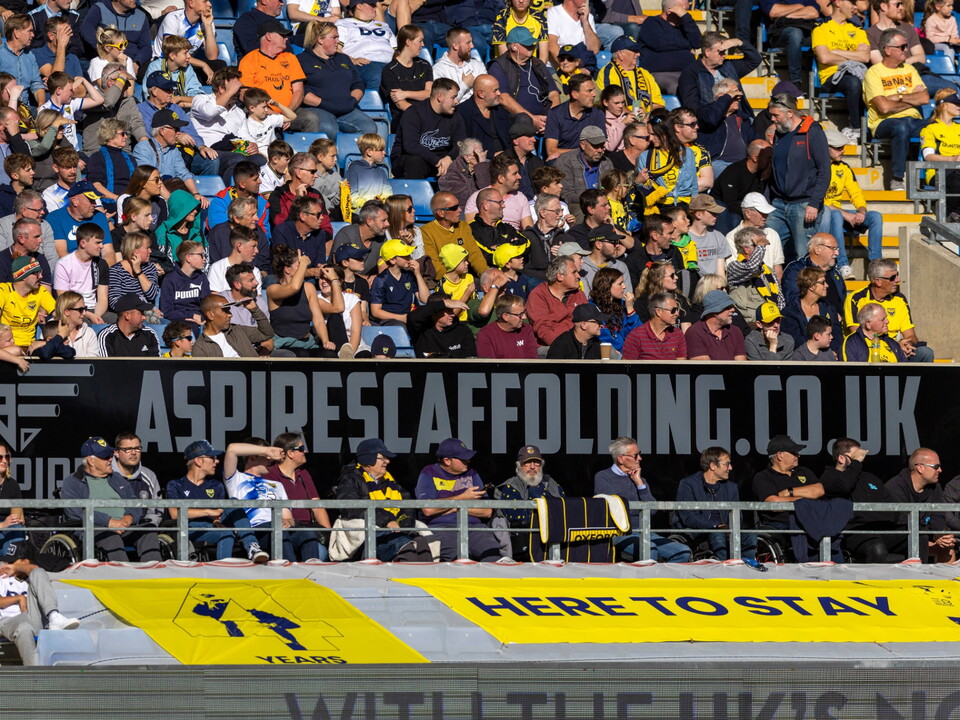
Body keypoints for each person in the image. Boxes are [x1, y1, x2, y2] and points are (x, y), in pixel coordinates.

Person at [60, 436, 162, 562]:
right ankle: (122, 578)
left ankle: (153, 575)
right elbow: (75, 511)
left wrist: (129, 517)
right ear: (91, 461)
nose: (110, 459)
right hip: (95, 529)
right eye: (105, 457)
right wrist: (109, 522)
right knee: (110, 536)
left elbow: (134, 502)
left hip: (125, 526)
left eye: (110, 455)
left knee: (148, 530)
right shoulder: (73, 481)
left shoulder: (116, 478)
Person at [165, 440, 270, 563]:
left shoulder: (216, 485)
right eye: (212, 457)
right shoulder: (176, 484)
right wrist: (208, 512)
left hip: (213, 526)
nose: (217, 461)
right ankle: (222, 571)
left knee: (233, 502)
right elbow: (174, 514)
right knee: (225, 533)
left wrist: (216, 519)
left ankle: (252, 547)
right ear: (198, 461)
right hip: (190, 528)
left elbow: (218, 514)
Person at [334, 438, 433, 562]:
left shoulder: (390, 480)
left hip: (394, 532)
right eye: (383, 458)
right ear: (368, 460)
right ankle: (407, 579)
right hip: (373, 535)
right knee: (406, 547)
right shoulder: (350, 479)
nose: (387, 461)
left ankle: (426, 579)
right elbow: (350, 507)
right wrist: (386, 521)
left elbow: (407, 504)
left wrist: (404, 527)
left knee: (421, 542)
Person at [594, 437, 691, 562]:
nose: (640, 458)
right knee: (650, 549)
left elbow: (652, 510)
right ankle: (645, 581)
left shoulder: (641, 480)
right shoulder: (604, 477)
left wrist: (640, 484)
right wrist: (640, 509)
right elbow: (615, 511)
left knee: (683, 552)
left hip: (644, 532)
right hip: (619, 533)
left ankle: (660, 580)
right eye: (635, 455)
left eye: (639, 454)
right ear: (621, 458)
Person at [677, 32, 759, 175]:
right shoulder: (691, 72)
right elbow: (692, 106)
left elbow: (755, 60)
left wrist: (739, 42)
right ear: (707, 52)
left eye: (725, 52)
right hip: (713, 123)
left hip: (740, 118)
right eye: (720, 52)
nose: (724, 55)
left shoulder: (728, 66)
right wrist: (717, 109)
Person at [765, 94, 831, 260]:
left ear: (790, 113)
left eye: (776, 115)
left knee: (803, 256)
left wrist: (814, 203)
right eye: (771, 115)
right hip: (779, 204)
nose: (772, 119)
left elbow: (824, 171)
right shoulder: (780, 132)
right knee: (765, 248)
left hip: (803, 205)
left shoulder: (812, 132)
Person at [415, 438, 503, 562]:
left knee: (492, 556)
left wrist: (453, 507)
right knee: (458, 560)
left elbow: (487, 511)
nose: (468, 461)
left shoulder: (472, 473)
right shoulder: (428, 473)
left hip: (475, 528)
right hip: (443, 528)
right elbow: (428, 509)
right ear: (447, 460)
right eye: (462, 459)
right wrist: (463, 498)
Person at [864, 29, 929, 191]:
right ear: (887, 50)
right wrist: (910, 99)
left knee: (939, 124)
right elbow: (884, 107)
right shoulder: (873, 73)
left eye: (906, 46)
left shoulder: (909, 69)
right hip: (883, 123)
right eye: (902, 47)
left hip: (913, 120)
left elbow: (925, 98)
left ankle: (938, 177)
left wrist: (897, 98)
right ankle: (897, 178)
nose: (906, 50)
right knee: (901, 127)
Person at [0, 544, 80, 666]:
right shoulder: (3, 576)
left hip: (32, 618)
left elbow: (34, 569)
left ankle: (54, 616)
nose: (8, 564)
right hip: (7, 622)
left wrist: (17, 567)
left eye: (13, 561)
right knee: (24, 628)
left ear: (25, 561)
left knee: (38, 572)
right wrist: (19, 598)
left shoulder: (35, 578)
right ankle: (34, 676)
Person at [297, 21, 378, 138]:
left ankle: (357, 156)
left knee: (369, 128)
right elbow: (302, 90)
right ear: (320, 39)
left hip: (347, 108)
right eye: (334, 38)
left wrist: (352, 101)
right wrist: (324, 103)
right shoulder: (302, 60)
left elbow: (358, 84)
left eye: (338, 37)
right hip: (319, 108)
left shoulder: (344, 58)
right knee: (328, 128)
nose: (338, 42)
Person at [674, 447, 757, 561]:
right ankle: (723, 572)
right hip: (698, 532)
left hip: (727, 530)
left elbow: (738, 515)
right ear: (713, 466)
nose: (730, 468)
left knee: (750, 535)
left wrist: (731, 528)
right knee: (717, 535)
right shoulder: (688, 484)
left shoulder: (731, 487)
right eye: (726, 464)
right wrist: (716, 526)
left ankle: (746, 568)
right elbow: (688, 517)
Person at [843, 258, 933, 361]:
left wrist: (907, 344)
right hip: (869, 349)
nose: (898, 280)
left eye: (897, 275)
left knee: (925, 353)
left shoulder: (899, 299)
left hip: (896, 350)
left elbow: (911, 335)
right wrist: (893, 346)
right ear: (878, 281)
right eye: (892, 277)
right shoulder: (856, 299)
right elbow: (860, 335)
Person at [264, 431, 331, 562]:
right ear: (290, 453)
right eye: (301, 448)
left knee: (321, 552)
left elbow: (317, 507)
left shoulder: (304, 474)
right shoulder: (269, 475)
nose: (305, 451)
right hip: (285, 531)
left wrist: (328, 534)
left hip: (307, 530)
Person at [239, 20, 316, 133]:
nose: (286, 38)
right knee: (252, 115)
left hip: (290, 111)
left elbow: (298, 90)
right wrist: (271, 113)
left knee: (311, 118)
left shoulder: (290, 58)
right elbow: (245, 94)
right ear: (269, 36)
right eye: (282, 35)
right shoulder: (249, 60)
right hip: (262, 112)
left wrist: (287, 113)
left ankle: (310, 150)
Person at [812, 0, 870, 142]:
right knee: (853, 82)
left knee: (866, 81)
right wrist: (853, 55)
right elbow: (824, 58)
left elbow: (865, 57)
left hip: (855, 74)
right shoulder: (821, 28)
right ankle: (855, 128)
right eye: (851, 2)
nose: (855, 7)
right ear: (838, 2)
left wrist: (836, 51)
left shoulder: (858, 30)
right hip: (830, 77)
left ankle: (869, 127)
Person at [886, 448, 956, 562]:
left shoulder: (935, 487)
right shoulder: (895, 487)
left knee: (947, 545)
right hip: (897, 538)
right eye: (936, 466)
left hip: (922, 534)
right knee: (921, 538)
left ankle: (947, 579)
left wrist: (940, 534)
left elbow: (938, 515)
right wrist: (932, 534)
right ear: (920, 468)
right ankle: (920, 577)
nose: (940, 470)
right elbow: (901, 522)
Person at [494, 445, 565, 559]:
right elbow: (516, 516)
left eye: (536, 463)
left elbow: (564, 509)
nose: (532, 467)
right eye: (527, 463)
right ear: (519, 466)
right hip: (526, 542)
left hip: (554, 537)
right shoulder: (511, 486)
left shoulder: (551, 484)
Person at [267, 245, 337, 354]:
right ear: (287, 269)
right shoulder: (273, 289)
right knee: (301, 354)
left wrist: (325, 341)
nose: (302, 268)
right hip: (284, 344)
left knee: (330, 355)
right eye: (298, 265)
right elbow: (294, 287)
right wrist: (304, 263)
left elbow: (318, 319)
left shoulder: (308, 288)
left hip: (307, 343)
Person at [488, 27, 560, 132]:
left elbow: (553, 93)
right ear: (514, 47)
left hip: (546, 116)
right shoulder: (499, 66)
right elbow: (503, 98)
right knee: (523, 120)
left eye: (533, 44)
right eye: (527, 45)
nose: (532, 46)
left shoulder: (537, 63)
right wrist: (532, 119)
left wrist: (551, 119)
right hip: (515, 119)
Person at [752, 434, 820, 530]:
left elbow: (819, 490)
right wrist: (805, 501)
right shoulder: (763, 477)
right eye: (794, 452)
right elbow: (773, 503)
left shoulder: (803, 471)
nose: (798, 455)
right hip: (779, 526)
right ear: (780, 456)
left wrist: (789, 492)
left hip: (808, 522)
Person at [553, 127, 616, 223]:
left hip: (603, 204)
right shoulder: (566, 161)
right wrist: (593, 202)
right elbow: (567, 194)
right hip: (579, 205)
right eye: (595, 146)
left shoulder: (606, 163)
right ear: (583, 145)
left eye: (602, 146)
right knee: (580, 210)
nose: (600, 150)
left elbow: (611, 190)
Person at [636, 0, 701, 95]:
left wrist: (687, 18)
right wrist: (687, 45)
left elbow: (697, 43)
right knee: (680, 87)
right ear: (669, 11)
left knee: (706, 85)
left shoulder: (686, 25)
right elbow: (661, 44)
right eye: (683, 11)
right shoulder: (651, 23)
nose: (685, 14)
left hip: (686, 72)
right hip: (660, 74)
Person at [527, 254, 590, 348]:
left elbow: (588, 322)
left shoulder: (578, 294)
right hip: (550, 347)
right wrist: (568, 347)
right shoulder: (539, 295)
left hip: (580, 344)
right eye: (574, 272)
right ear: (560, 276)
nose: (578, 276)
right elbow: (544, 331)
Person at [379, 24, 433, 132]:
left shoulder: (425, 65)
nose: (423, 44)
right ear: (408, 42)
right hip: (404, 116)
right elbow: (400, 103)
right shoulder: (390, 70)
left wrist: (405, 93)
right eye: (420, 41)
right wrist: (419, 115)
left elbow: (429, 94)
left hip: (426, 112)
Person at [335, 0, 397, 91]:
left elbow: (396, 50)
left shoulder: (383, 25)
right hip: (365, 64)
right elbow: (336, 49)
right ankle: (373, 104)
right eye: (372, 5)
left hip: (390, 63)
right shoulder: (343, 24)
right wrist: (352, 60)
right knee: (378, 75)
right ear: (359, 6)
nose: (375, 7)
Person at [724, 192, 785, 281]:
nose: (766, 216)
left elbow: (778, 267)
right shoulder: (731, 237)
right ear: (748, 213)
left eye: (766, 213)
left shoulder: (772, 234)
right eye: (762, 212)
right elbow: (733, 271)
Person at [781, 265, 843, 353]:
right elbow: (796, 342)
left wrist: (831, 353)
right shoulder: (790, 313)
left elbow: (837, 337)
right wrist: (821, 355)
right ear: (811, 286)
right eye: (822, 282)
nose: (827, 285)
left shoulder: (829, 308)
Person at [192, 293, 275, 358]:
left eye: (229, 310)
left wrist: (254, 310)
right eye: (225, 311)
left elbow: (267, 334)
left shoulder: (237, 330)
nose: (230, 315)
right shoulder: (200, 347)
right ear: (210, 315)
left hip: (254, 377)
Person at [920, 90, 960, 222]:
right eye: (955, 103)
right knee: (957, 180)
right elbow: (928, 155)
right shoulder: (930, 129)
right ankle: (951, 213)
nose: (959, 106)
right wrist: (952, 159)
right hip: (939, 172)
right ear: (943, 105)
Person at [713, 140, 770, 229]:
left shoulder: (763, 173)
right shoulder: (733, 172)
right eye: (768, 158)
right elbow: (729, 203)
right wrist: (750, 213)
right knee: (735, 219)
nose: (771, 161)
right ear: (755, 158)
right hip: (724, 210)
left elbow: (757, 198)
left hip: (746, 210)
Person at [545, 76, 605, 161]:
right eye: (589, 91)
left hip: (590, 161)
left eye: (594, 90)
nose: (594, 94)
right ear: (575, 94)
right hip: (564, 161)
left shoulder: (597, 115)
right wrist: (584, 152)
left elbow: (600, 148)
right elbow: (552, 151)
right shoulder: (555, 114)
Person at [0, 256, 54, 350]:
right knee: (15, 351)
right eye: (36, 273)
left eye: (40, 272)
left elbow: (60, 312)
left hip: (30, 347)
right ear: (23, 276)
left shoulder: (40, 291)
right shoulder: (3, 291)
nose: (41, 276)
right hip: (7, 346)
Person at [621, 291, 687, 359]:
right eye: (673, 310)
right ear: (658, 312)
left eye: (677, 310)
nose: (677, 314)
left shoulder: (677, 334)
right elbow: (627, 367)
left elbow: (681, 365)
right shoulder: (636, 336)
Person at [685, 289, 747, 361]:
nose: (733, 309)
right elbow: (703, 367)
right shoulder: (695, 332)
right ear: (714, 311)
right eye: (727, 307)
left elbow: (740, 365)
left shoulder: (735, 331)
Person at [108, 232, 159, 312]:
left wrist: (138, 271)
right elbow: (115, 303)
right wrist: (143, 307)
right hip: (127, 314)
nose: (150, 251)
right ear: (135, 251)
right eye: (147, 248)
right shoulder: (115, 271)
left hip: (147, 313)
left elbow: (152, 295)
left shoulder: (150, 268)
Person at [96, 293, 161, 357]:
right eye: (141, 313)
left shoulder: (149, 334)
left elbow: (156, 365)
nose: (144, 317)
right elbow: (106, 366)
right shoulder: (107, 337)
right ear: (127, 315)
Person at [475, 293, 538, 358]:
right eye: (520, 315)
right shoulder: (486, 334)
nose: (524, 317)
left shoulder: (526, 329)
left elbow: (532, 359)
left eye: (524, 312)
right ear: (506, 316)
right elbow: (489, 365)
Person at [841, 301, 908, 362]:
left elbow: (904, 368)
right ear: (868, 324)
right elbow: (850, 371)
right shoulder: (852, 343)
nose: (887, 321)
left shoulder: (891, 343)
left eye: (886, 318)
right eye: (882, 319)